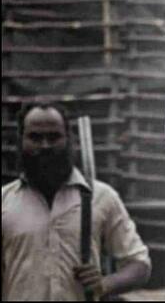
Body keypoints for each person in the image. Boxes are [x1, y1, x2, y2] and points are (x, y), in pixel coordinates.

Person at [2, 103, 152, 301]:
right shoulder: (4, 201)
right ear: (21, 141)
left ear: (68, 139)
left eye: (54, 137)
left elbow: (139, 264)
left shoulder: (101, 197)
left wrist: (105, 284)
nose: (45, 145)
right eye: (35, 137)